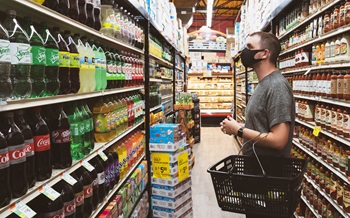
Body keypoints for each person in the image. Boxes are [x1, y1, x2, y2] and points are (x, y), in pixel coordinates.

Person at [220, 31, 295, 218]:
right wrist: (236, 128)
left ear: (264, 53)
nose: (245, 52)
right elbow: (262, 125)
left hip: (270, 174)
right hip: (258, 170)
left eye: (250, 48)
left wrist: (239, 130)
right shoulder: (263, 84)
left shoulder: (277, 86)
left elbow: (279, 140)